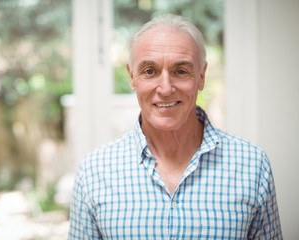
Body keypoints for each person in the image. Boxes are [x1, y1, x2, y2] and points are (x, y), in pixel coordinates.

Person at [68, 14, 282, 239]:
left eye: (181, 71)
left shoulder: (253, 166)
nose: (166, 88)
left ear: (201, 76)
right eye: (149, 71)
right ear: (132, 77)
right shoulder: (94, 172)